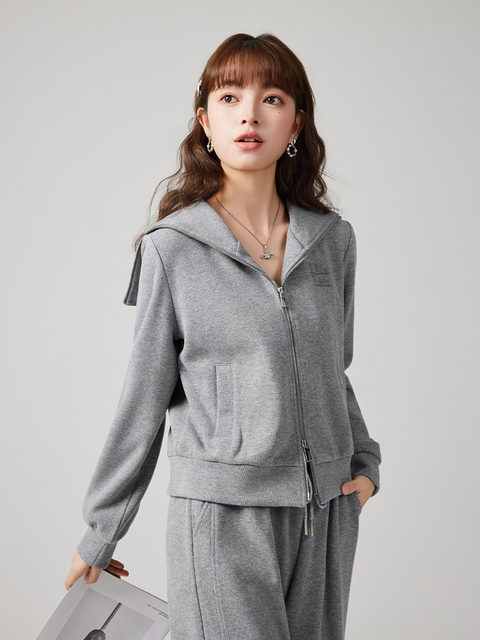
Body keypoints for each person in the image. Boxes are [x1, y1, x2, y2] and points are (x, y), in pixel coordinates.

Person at [65, 32, 382, 640]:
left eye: (272, 98)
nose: (250, 114)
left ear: (296, 124)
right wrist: (102, 531)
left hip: (326, 511)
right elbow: (143, 398)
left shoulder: (333, 241)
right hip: (223, 515)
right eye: (230, 97)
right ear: (205, 122)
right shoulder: (172, 249)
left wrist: (363, 467)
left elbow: (332, 371)